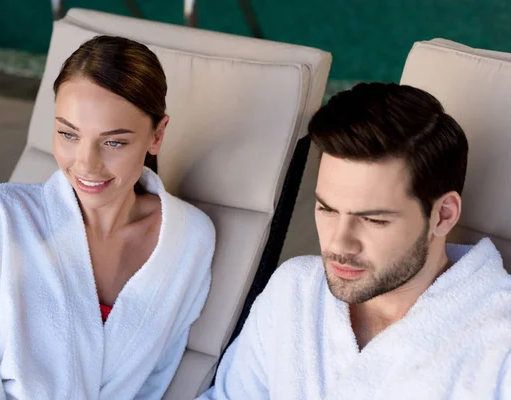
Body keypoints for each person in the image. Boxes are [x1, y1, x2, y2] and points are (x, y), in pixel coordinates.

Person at [0, 36, 215, 399]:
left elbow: (157, 378)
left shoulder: (189, 239)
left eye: (114, 142)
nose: (86, 163)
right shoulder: (2, 218)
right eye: (68, 134)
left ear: (157, 134)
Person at [199, 82, 511, 399]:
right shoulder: (295, 291)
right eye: (327, 209)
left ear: (443, 215)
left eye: (373, 219)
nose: (339, 244)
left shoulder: (500, 342)